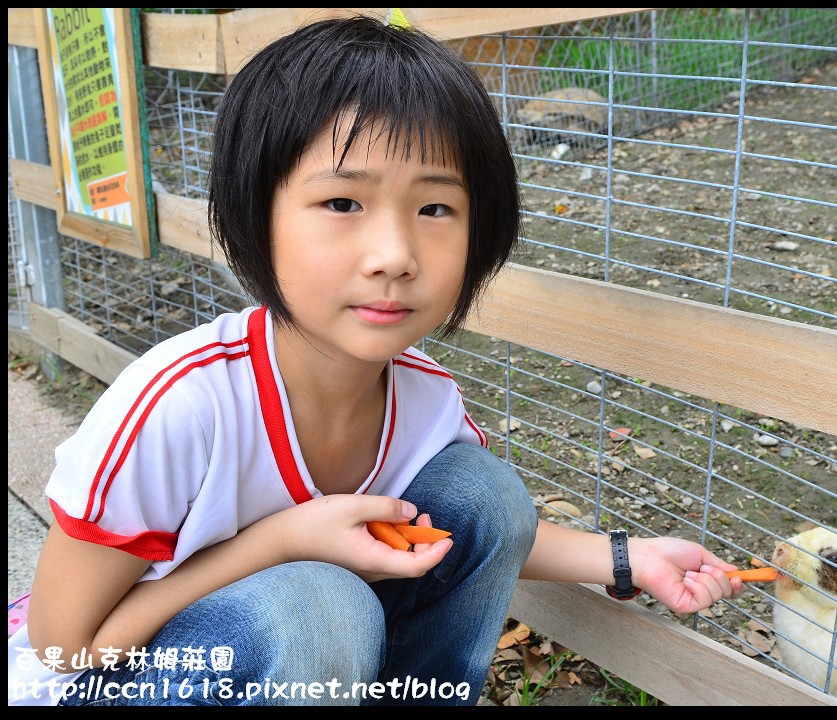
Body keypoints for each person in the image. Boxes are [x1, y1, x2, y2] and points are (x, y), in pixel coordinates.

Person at [7, 14, 742, 707]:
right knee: (320, 606)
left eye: (435, 209)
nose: (394, 256)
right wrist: (279, 544)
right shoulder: (178, 408)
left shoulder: (424, 400)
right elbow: (64, 647)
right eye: (341, 204)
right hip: (116, 674)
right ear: (253, 211)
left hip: (296, 659)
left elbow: (474, 533)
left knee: (480, 492)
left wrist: (626, 558)